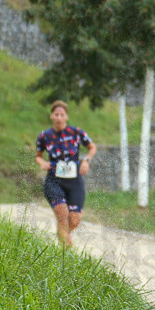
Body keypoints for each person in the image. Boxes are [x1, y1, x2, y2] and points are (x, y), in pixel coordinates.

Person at [35, 100, 97, 247]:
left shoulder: (76, 132)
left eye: (62, 115)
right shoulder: (44, 136)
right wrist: (42, 162)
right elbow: (38, 155)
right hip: (54, 180)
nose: (59, 118)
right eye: (56, 114)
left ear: (66, 117)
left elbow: (92, 147)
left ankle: (63, 235)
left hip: (74, 180)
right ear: (51, 116)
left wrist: (86, 160)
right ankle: (64, 251)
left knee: (74, 220)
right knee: (63, 213)